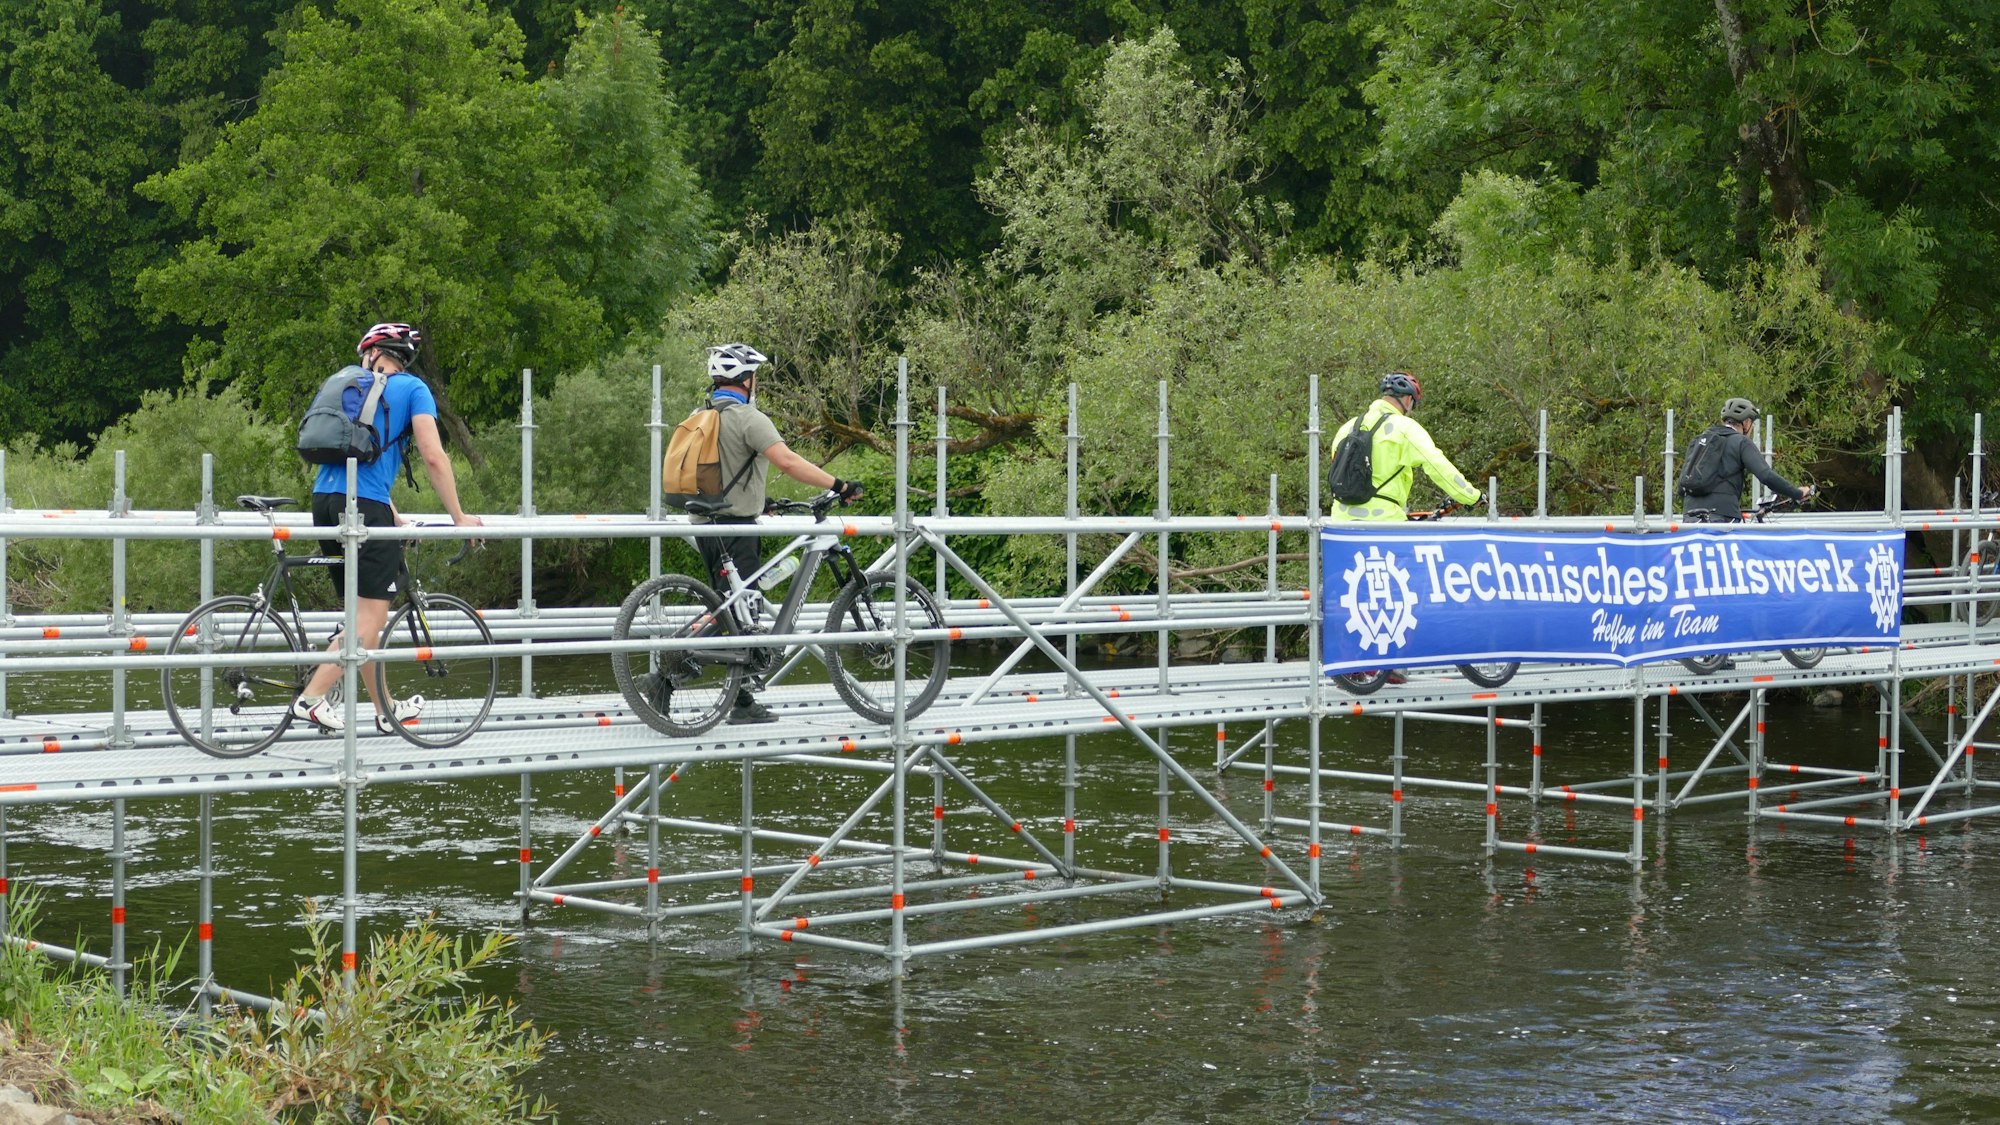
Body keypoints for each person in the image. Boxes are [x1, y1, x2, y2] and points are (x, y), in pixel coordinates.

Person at [290, 323, 484, 734]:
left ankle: (386, 710)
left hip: (326, 502)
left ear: (372, 355)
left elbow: (355, 456)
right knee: (367, 622)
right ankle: (311, 697)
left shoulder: (347, 384)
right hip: (362, 509)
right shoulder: (412, 389)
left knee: (359, 620)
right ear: (403, 356)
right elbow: (433, 456)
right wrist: (459, 516)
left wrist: (392, 512)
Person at [685, 342, 863, 724]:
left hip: (706, 523)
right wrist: (839, 485)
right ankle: (674, 674)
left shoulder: (702, 415)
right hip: (736, 528)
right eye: (755, 377)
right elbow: (788, 460)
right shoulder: (749, 418)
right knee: (738, 609)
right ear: (746, 380)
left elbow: (721, 469)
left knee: (732, 607)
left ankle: (740, 696)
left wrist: (759, 501)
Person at [1330, 371, 1483, 684]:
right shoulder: (1404, 428)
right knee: (1408, 585)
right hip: (1384, 522)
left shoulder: (1347, 427)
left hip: (1341, 522)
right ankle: (1390, 658)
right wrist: (1471, 495)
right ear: (1408, 400)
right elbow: (1437, 464)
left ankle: (1359, 662)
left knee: (1355, 590)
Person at [1679, 397, 1814, 521]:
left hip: (1689, 516)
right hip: (1722, 517)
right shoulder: (1741, 442)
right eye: (1752, 423)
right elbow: (1766, 475)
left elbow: (1682, 485)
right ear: (1746, 422)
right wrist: (1797, 493)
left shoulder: (1700, 440)